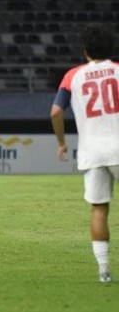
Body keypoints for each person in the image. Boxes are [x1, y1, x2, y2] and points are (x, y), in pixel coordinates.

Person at [50, 23, 119, 283]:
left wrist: (61, 142)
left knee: (99, 210)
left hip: (93, 152)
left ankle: (104, 270)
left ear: (85, 51)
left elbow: (56, 112)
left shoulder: (73, 76)